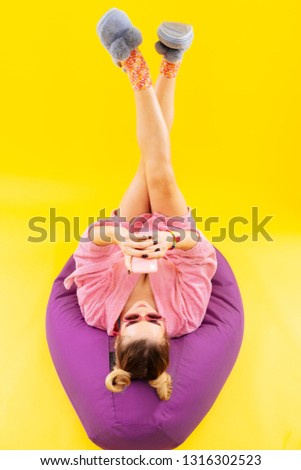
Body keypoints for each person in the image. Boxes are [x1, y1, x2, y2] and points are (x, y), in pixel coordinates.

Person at [63, 8, 218, 401]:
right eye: (156, 320)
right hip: (174, 236)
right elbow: (200, 258)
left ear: (117, 331)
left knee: (148, 165)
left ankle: (168, 61)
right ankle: (137, 65)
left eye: (135, 319)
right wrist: (172, 244)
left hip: (126, 231)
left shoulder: (99, 311)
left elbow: (89, 248)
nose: (146, 311)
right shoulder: (185, 316)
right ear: (168, 331)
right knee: (160, 173)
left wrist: (118, 237)